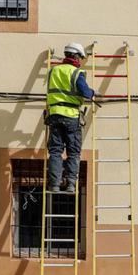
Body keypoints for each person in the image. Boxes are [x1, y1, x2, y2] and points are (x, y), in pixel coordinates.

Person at [46, 42, 95, 193]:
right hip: (71, 116)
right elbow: (85, 92)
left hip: (54, 115)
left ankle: (54, 185)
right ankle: (71, 184)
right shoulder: (76, 72)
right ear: (75, 56)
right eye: (80, 57)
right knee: (73, 152)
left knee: (55, 151)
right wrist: (93, 92)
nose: (80, 61)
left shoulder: (53, 71)